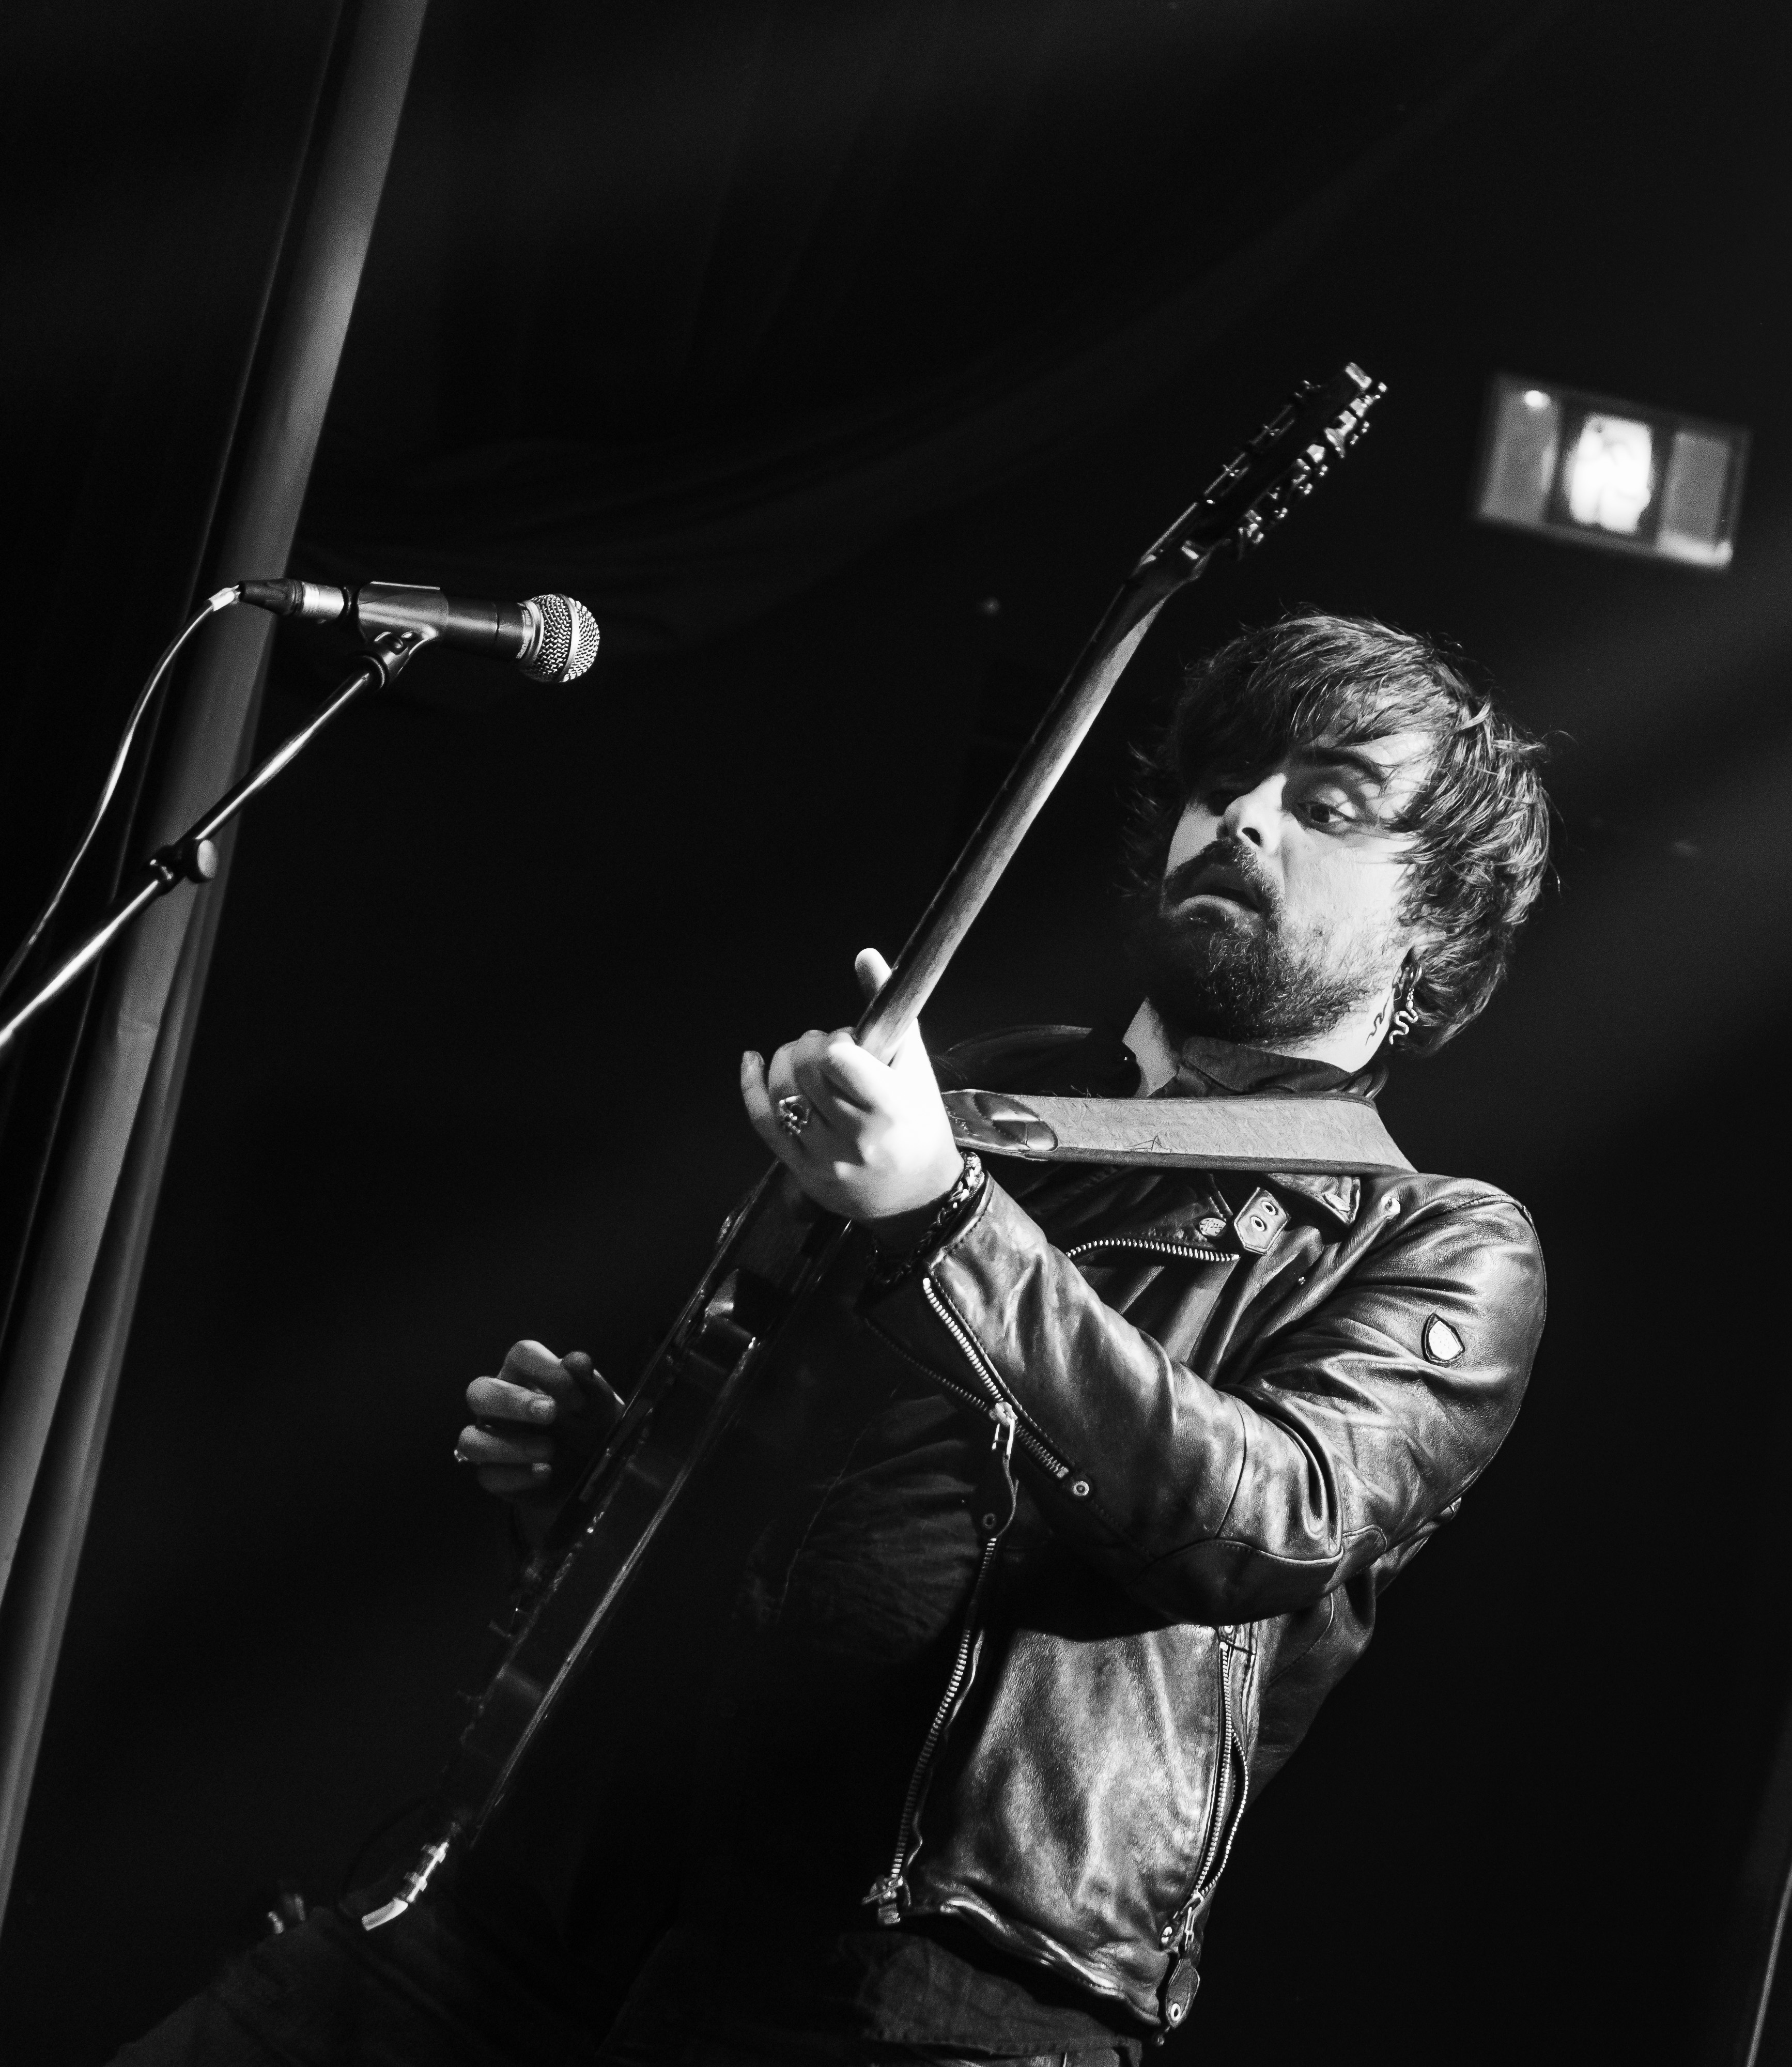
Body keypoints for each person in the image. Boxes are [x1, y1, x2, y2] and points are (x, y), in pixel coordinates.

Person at [114, 611, 1553, 2066]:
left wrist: (946, 1219)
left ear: (1432, 929)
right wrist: (607, 1495)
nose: (1241, 817)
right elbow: (785, 1504)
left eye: (1329, 807)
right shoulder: (975, 1097)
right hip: (552, 1886)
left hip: (910, 1992)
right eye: (1224, 783)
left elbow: (1266, 1522)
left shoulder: (1440, 1245)